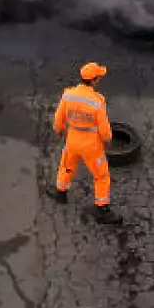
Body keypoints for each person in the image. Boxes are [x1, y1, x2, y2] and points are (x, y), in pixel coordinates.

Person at [47, 62, 120, 225]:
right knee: (101, 176)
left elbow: (58, 121)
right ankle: (102, 209)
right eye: (99, 77)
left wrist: (59, 132)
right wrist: (108, 141)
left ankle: (61, 193)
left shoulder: (68, 95)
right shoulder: (97, 101)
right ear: (93, 81)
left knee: (66, 166)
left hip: (72, 141)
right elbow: (105, 129)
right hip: (91, 146)